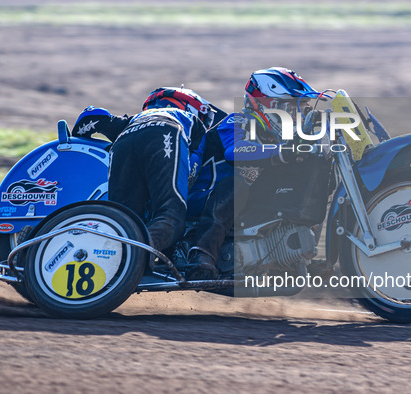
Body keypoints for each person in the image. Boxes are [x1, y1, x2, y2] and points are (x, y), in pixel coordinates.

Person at [186, 67, 321, 278]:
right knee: (235, 185)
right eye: (291, 109)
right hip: (200, 199)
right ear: (267, 105)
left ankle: (298, 256)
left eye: (299, 109)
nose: (295, 117)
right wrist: (281, 152)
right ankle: (201, 255)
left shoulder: (276, 140)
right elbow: (234, 151)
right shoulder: (237, 121)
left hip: (238, 210)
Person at [73, 87, 217, 254]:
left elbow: (92, 115)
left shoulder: (134, 119)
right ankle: (135, 256)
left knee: (122, 221)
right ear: (191, 107)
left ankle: (108, 259)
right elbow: (192, 168)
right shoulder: (191, 119)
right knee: (171, 218)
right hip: (167, 132)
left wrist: (75, 136)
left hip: (122, 141)